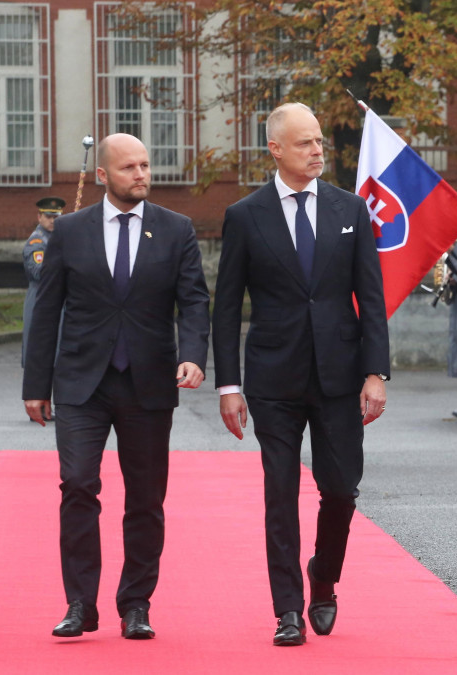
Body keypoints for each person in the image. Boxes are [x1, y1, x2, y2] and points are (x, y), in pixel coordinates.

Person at [212, 102, 390, 647]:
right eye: (306, 143)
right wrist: (230, 385)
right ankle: (287, 608)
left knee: (340, 490)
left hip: (339, 375)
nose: (318, 151)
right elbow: (226, 306)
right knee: (280, 493)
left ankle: (323, 577)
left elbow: (371, 297)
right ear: (276, 149)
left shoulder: (350, 210)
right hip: (274, 378)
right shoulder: (246, 215)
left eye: (319, 142)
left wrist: (376, 372)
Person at [22, 133, 211, 641]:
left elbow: (193, 301)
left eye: (146, 166)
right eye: (129, 168)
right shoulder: (71, 230)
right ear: (103, 175)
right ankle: (80, 603)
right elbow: (46, 310)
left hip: (148, 384)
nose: (142, 175)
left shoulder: (176, 230)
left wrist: (194, 354)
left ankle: (136, 603)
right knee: (79, 485)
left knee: (146, 498)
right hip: (82, 382)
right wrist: (35, 384)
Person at [22, 196, 64, 368]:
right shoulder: (37, 242)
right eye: (49, 217)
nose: (53, 221)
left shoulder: (61, 238)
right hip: (40, 299)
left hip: (59, 300)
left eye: (56, 217)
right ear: (39, 217)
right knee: (39, 355)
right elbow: (40, 272)